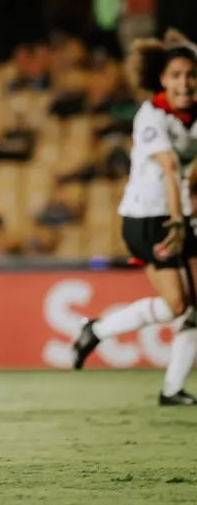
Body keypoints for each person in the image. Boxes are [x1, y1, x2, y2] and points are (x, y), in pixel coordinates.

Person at [72, 30, 197, 406]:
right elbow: (171, 166)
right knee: (178, 305)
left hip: (182, 215)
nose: (184, 82)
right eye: (175, 75)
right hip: (147, 218)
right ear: (161, 79)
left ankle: (173, 389)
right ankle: (97, 329)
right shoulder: (151, 115)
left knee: (195, 306)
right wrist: (177, 222)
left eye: (191, 74)